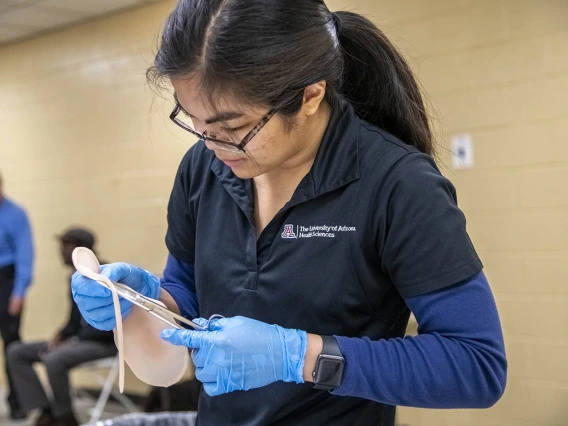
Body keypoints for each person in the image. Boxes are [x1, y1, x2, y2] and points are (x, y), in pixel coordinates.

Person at [71, 1, 508, 425]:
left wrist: (299, 356)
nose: (213, 146)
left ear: (310, 96)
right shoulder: (202, 169)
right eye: (195, 122)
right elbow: (186, 290)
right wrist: (142, 305)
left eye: (235, 128)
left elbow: (475, 365)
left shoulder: (396, 184)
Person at [7, 228, 117, 426]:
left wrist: (71, 342)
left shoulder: (105, 274)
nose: (60, 252)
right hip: (79, 341)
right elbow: (75, 322)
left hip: (105, 343)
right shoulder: (74, 278)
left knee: (54, 359)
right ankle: (46, 410)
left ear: (81, 249)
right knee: (17, 352)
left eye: (65, 246)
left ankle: (66, 417)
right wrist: (60, 336)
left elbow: (106, 327)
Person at [0, 171, 34, 420]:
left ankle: (18, 401)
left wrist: (19, 292)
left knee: (11, 344)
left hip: (7, 281)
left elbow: (25, 254)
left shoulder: (15, 213)